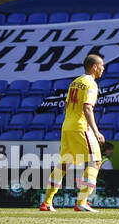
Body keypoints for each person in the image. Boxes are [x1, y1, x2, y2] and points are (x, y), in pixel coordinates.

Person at [41, 53, 106, 212]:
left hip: (67, 126)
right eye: (102, 66)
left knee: (64, 164)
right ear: (94, 67)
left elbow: (66, 104)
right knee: (96, 161)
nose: (103, 69)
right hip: (80, 127)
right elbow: (87, 108)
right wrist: (96, 131)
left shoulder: (75, 82)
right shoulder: (91, 83)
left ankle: (46, 202)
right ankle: (82, 202)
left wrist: (71, 118)